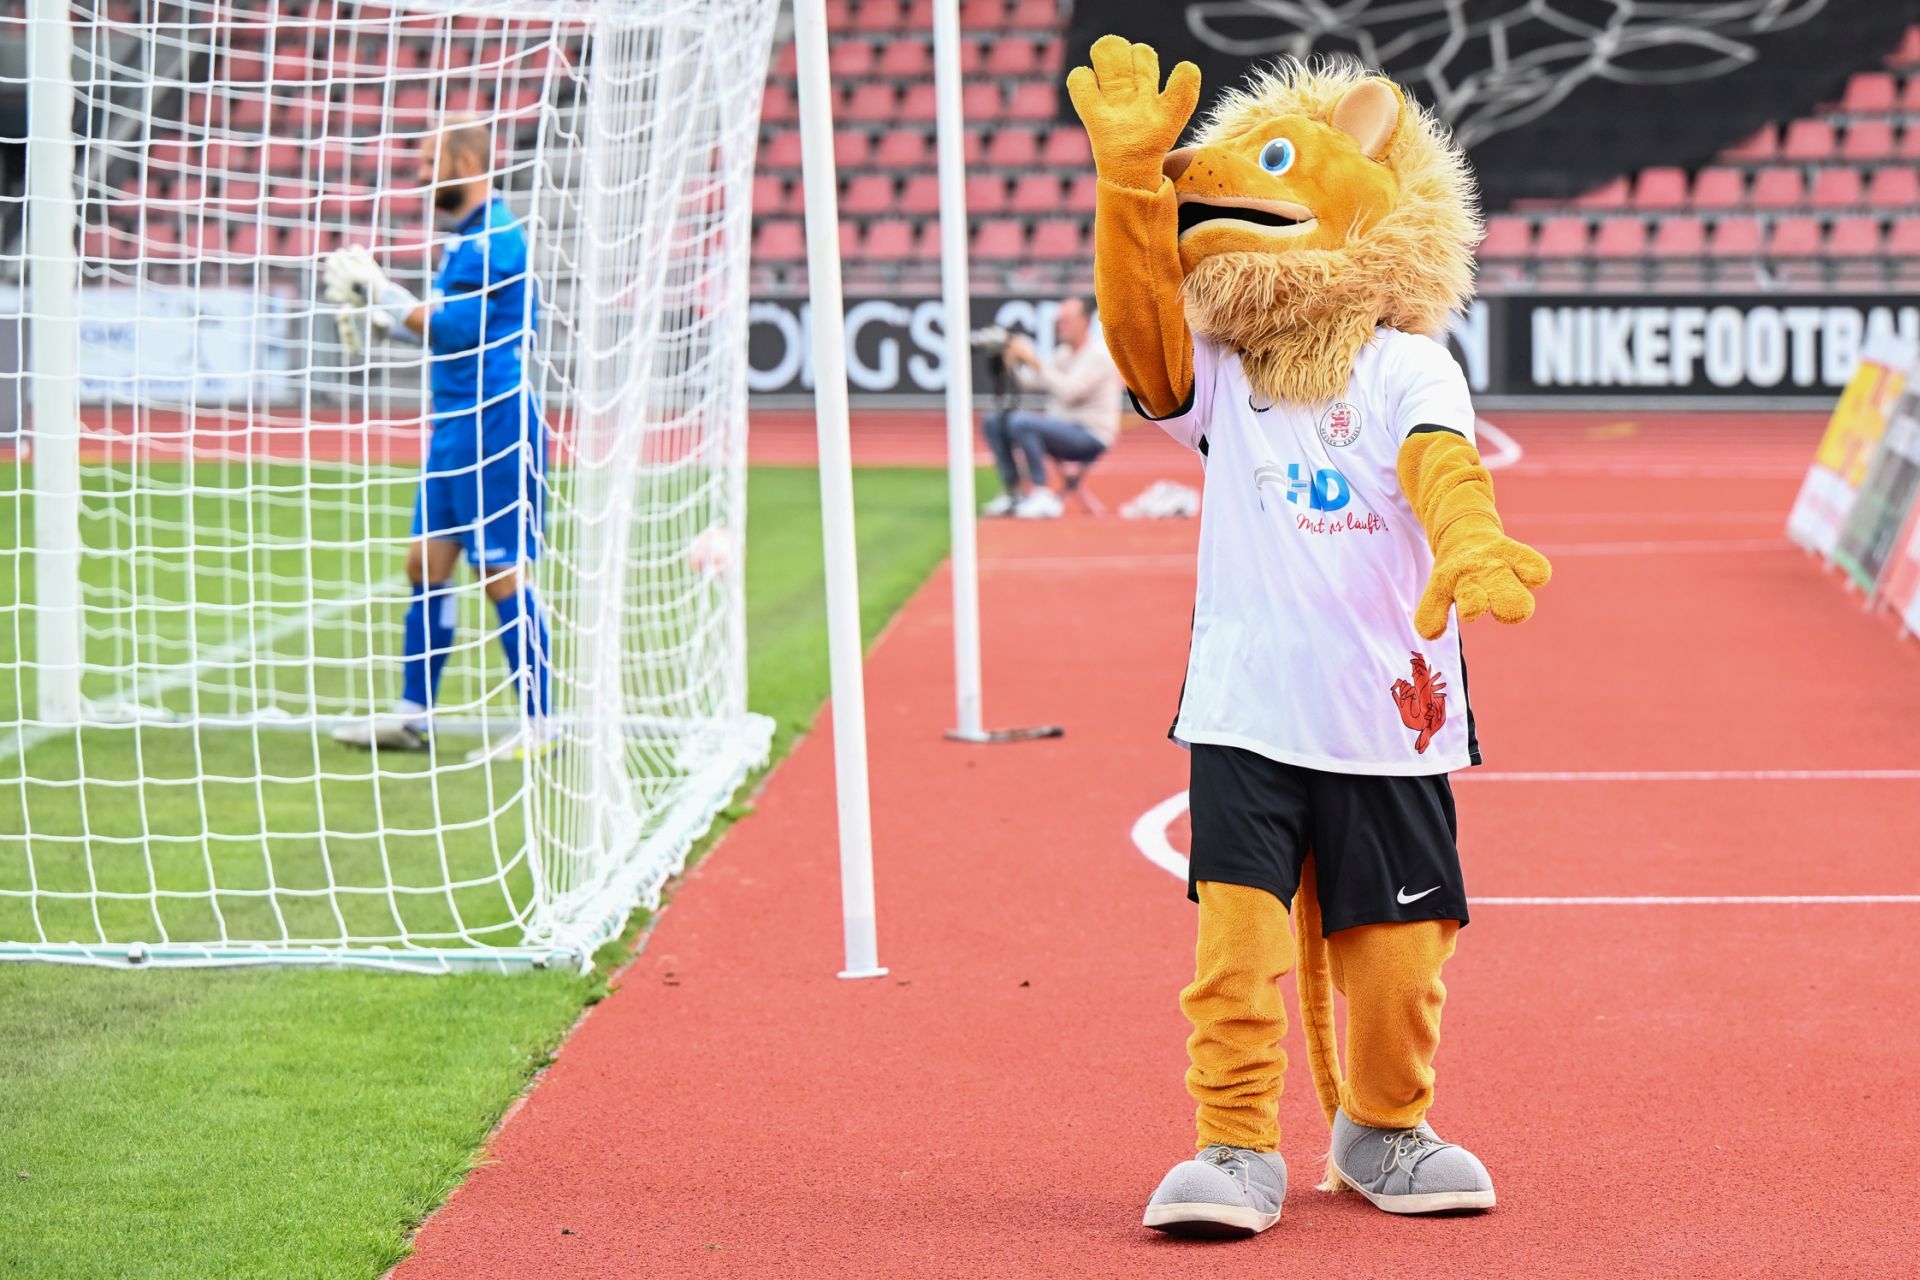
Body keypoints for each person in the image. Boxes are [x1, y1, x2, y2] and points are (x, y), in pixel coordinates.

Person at [324, 120, 553, 763]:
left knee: (500, 570)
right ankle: (411, 713)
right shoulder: (464, 243)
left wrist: (381, 290)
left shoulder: (495, 239)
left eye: (429, 162)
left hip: (495, 421)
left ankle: (541, 724)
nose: (421, 175)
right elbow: (445, 331)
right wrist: (385, 322)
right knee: (425, 564)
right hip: (455, 423)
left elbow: (455, 331)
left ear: (462, 159)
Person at [980, 297, 1124, 519]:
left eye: (1066, 321)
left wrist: (1032, 359)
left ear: (1084, 323)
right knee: (994, 420)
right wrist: (1009, 362)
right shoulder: (1064, 353)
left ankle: (1041, 492)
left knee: (1021, 422)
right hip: (1063, 428)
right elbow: (1032, 382)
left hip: (1089, 435)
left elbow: (1069, 391)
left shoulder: (1097, 356)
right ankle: (1014, 492)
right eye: (1058, 321)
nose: (1060, 326)